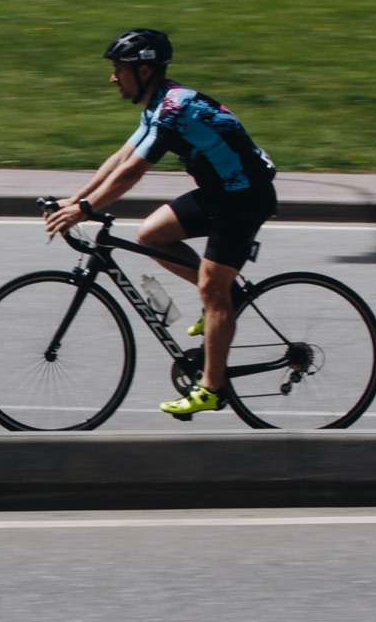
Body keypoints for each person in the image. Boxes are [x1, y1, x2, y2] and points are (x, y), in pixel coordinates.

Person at [44, 28, 278, 419]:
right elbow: (121, 157)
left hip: (245, 197)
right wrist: (76, 199)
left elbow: (133, 171)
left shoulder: (174, 109)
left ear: (146, 70)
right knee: (152, 235)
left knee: (212, 286)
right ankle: (225, 301)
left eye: (119, 69)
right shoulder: (158, 104)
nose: (112, 77)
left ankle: (211, 388)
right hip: (221, 192)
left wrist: (85, 210)